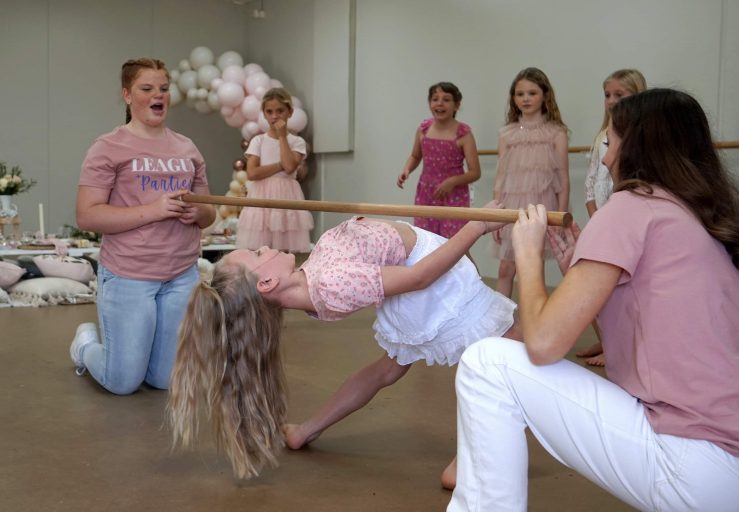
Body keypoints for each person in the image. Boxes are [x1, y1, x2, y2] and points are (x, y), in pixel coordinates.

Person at [448, 89, 739, 512]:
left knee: (486, 361)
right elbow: (640, 336)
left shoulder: (632, 205)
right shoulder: (706, 219)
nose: (604, 157)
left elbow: (542, 344)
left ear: (634, 145)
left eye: (610, 142)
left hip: (699, 470)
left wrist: (528, 255)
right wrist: (578, 275)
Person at [168, 204, 521, 479]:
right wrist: (476, 226)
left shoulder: (308, 281)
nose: (263, 246)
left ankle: (305, 430)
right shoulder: (331, 284)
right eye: (258, 256)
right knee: (515, 340)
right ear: (266, 285)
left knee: (388, 369)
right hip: (430, 279)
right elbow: (419, 278)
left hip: (411, 278)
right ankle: (467, 463)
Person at [69, 58, 216, 395]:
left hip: (181, 275)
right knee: (122, 383)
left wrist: (199, 214)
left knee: (164, 381)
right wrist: (155, 209)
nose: (158, 95)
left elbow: (210, 213)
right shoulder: (108, 147)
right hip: (128, 275)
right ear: (127, 95)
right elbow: (87, 216)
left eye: (163, 89)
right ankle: (84, 344)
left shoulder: (187, 148)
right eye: (146, 88)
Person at [579, 68, 647, 367]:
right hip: (603, 222)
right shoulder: (601, 137)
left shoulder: (641, 138)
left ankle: (620, 347)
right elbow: (592, 182)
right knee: (595, 288)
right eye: (608, 95)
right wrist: (595, 217)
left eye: (620, 95)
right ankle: (607, 338)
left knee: (621, 291)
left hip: (626, 224)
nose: (612, 100)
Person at [491, 67, 569, 298]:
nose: (525, 99)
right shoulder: (507, 134)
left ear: (545, 95)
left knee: (533, 272)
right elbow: (500, 178)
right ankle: (500, 325)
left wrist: (559, 217)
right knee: (505, 269)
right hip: (511, 209)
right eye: (520, 94)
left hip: (540, 210)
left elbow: (563, 179)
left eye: (532, 93)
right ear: (513, 99)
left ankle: (531, 325)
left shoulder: (556, 133)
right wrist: (494, 215)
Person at [397, 82, 481, 238]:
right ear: (429, 103)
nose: (440, 103)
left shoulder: (464, 133)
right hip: (427, 193)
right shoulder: (423, 129)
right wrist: (407, 169)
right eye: (435, 99)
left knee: (456, 244)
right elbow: (415, 156)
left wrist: (452, 182)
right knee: (426, 240)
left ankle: (467, 264)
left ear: (456, 105)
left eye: (446, 99)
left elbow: (475, 172)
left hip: (454, 195)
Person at [236, 88, 313, 252]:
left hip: (287, 196)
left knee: (286, 248)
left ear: (290, 112)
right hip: (261, 196)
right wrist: (280, 166)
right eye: (269, 111)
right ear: (264, 114)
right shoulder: (258, 140)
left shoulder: (297, 142)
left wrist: (283, 136)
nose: (274, 116)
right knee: (259, 248)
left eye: (280, 111)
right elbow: (253, 173)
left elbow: (291, 166)